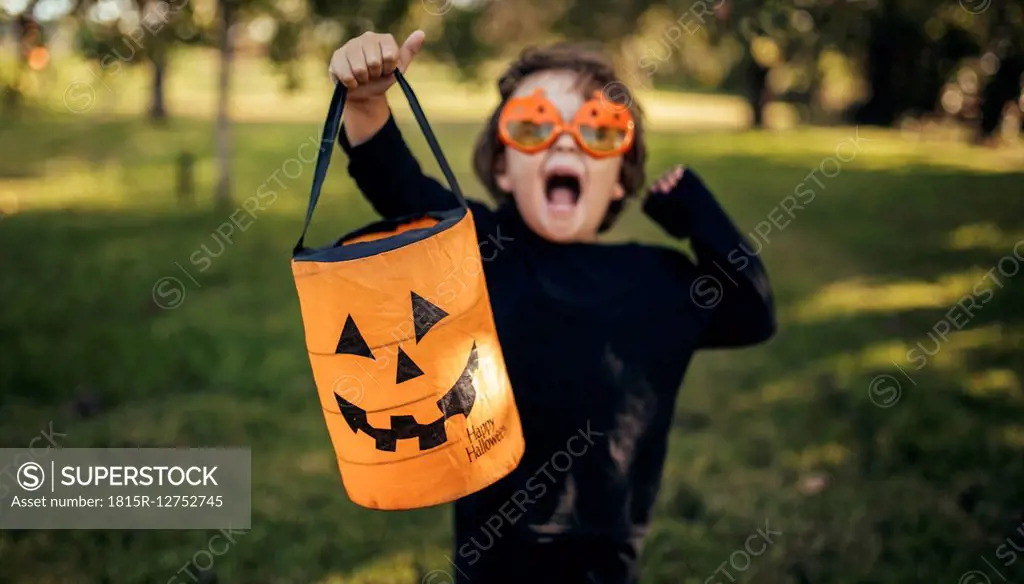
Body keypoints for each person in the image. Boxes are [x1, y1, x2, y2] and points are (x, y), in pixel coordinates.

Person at [328, 29, 776, 584]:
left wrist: (691, 207)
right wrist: (367, 101)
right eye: (534, 126)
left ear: (620, 179)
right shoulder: (483, 248)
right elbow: (396, 185)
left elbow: (753, 310)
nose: (565, 143)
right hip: (491, 550)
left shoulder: (657, 281)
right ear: (501, 169)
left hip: (604, 558)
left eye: (598, 130)